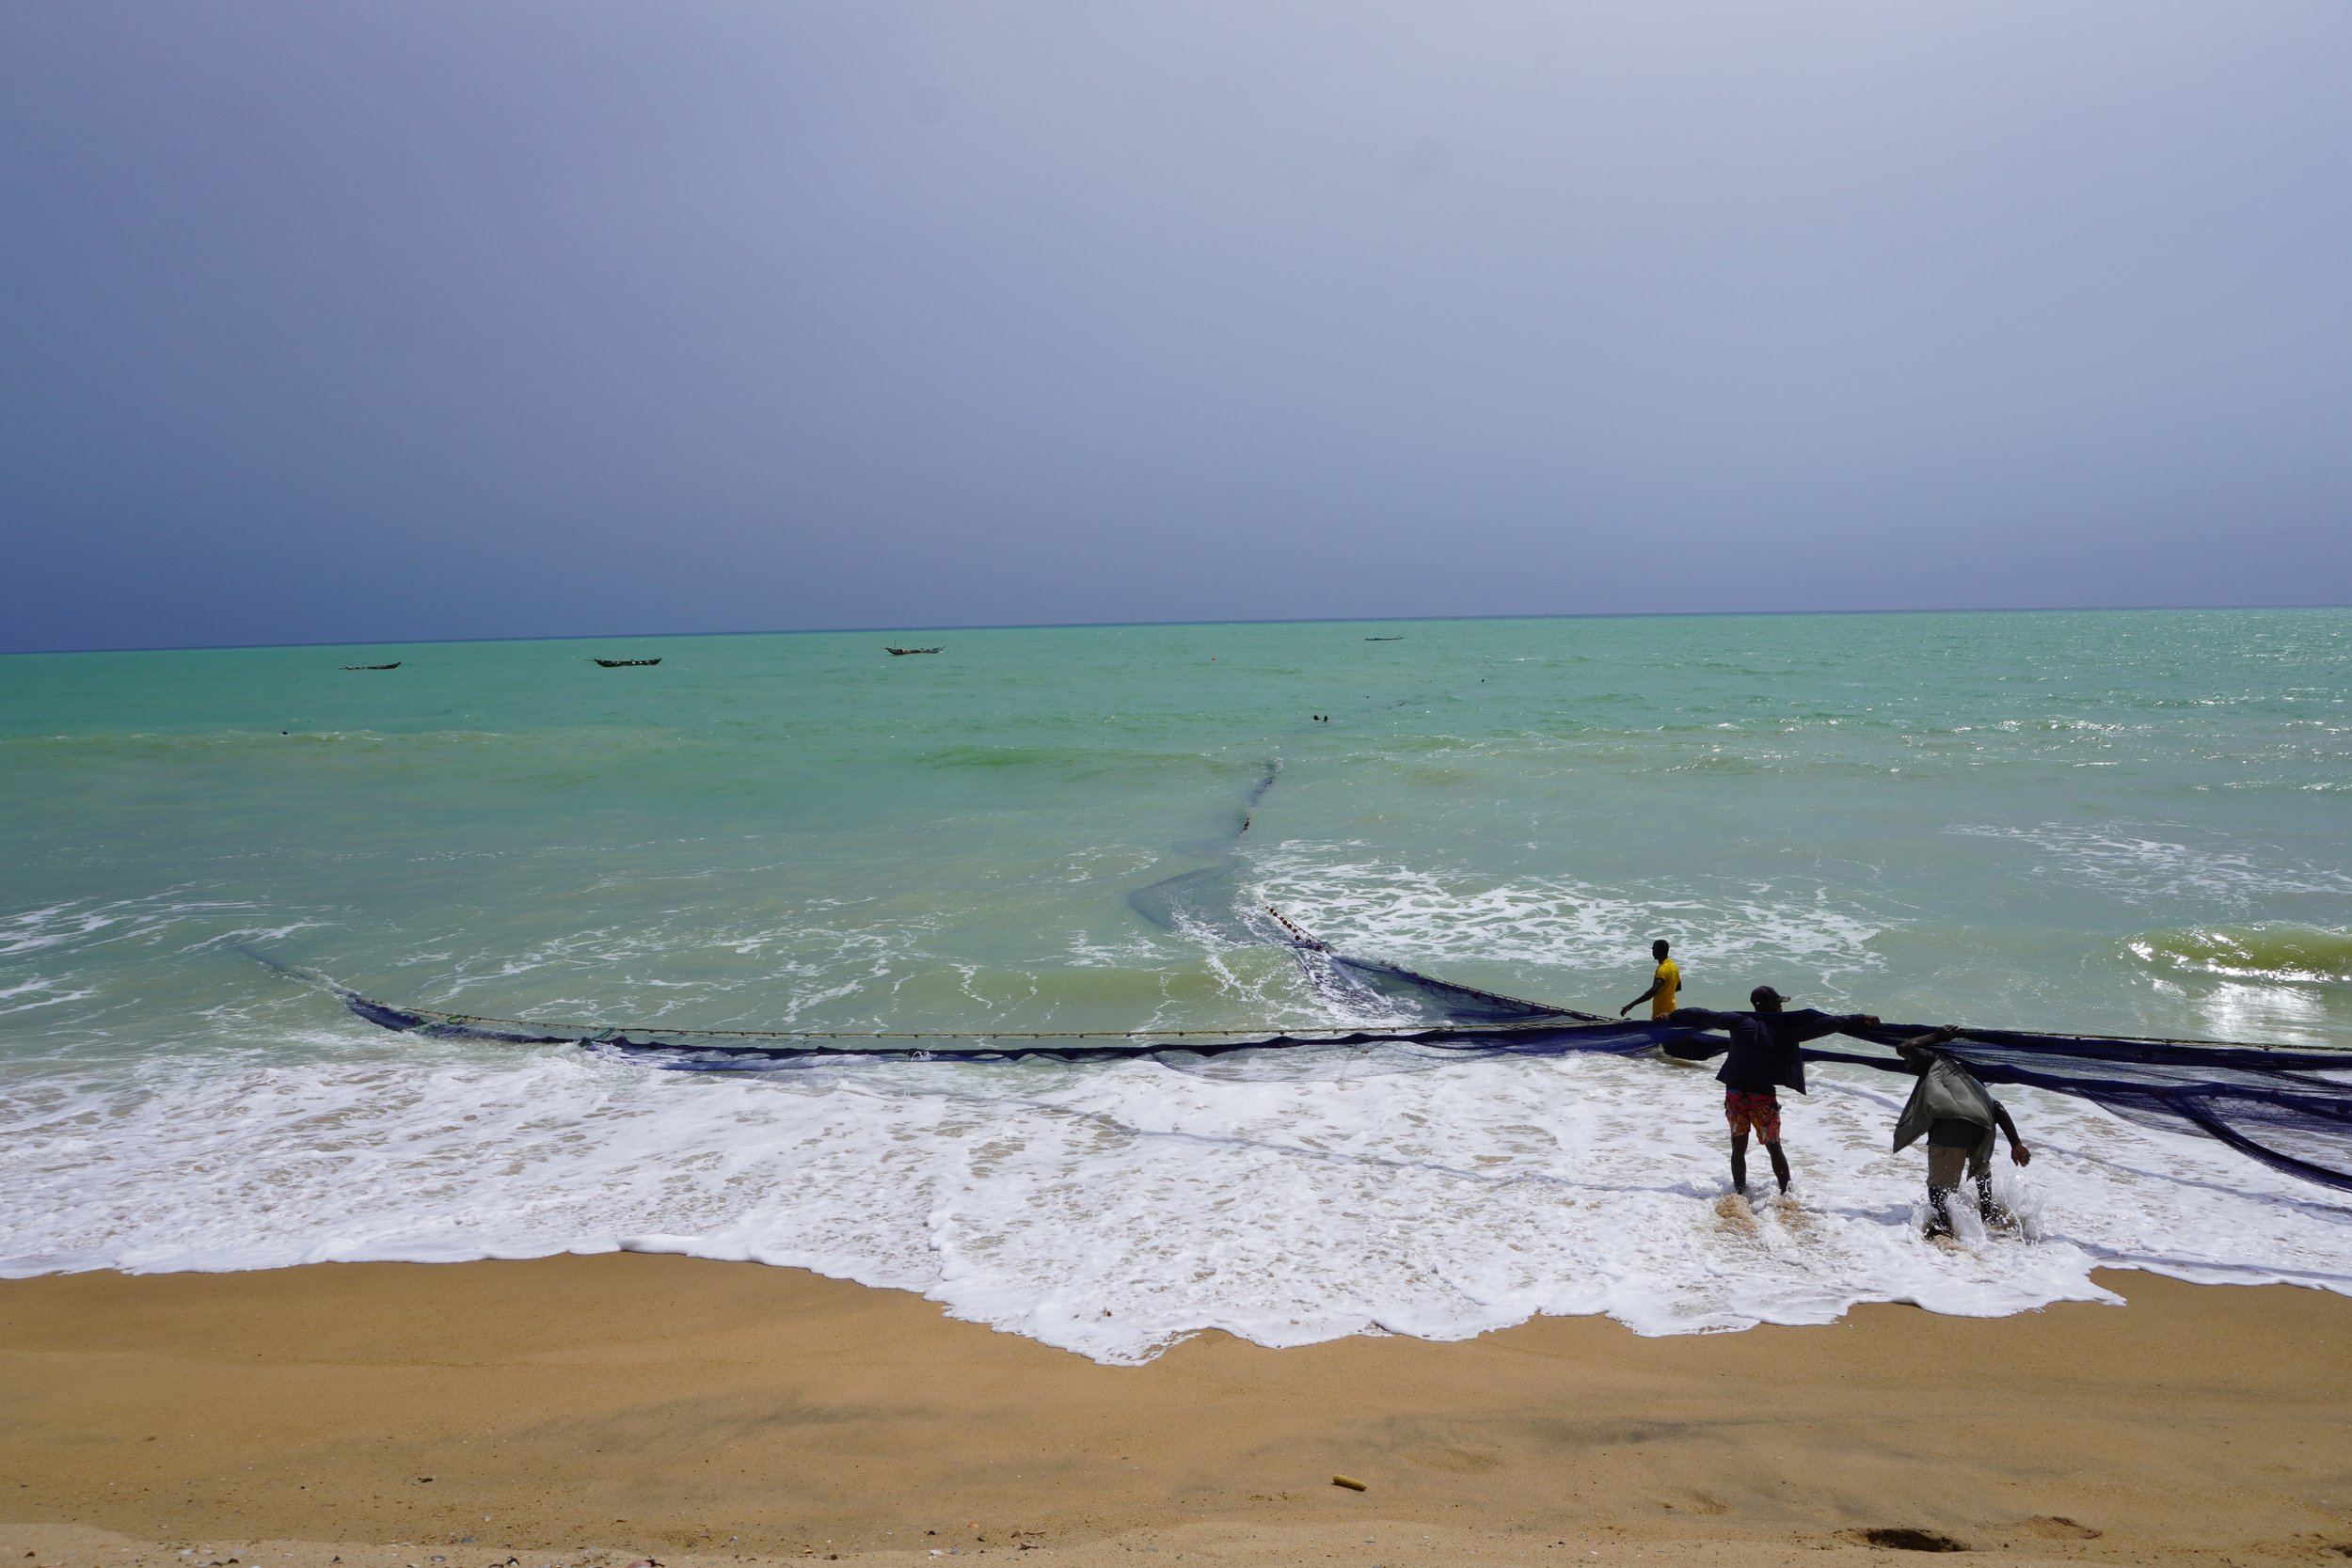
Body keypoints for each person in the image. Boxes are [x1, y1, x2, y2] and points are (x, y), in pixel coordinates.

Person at [1669, 987, 1882, 1197]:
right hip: (1762, 1097)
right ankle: (1786, 1194)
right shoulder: (1786, 1031)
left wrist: (1673, 1015)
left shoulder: (1737, 1021)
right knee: (1773, 1146)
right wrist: (1859, 1018)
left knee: (1738, 1146)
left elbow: (1702, 1014)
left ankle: (1740, 1194)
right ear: (1766, 1005)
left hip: (1735, 1095)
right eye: (1777, 1002)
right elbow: (1825, 1025)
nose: (1781, 1006)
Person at [1892, 1025, 2031, 1238]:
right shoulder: (1972, 1077)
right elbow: (1998, 1108)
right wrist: (2016, 1144)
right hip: (1982, 1129)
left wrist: (1937, 1036)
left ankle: (1944, 1229)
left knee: (1938, 1188)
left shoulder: (1935, 1061)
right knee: (1982, 1170)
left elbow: (1905, 1046)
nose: (1908, 1065)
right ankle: (1987, 1214)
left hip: (1952, 1126)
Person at [1618, 939, 1681, 1020]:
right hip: (1671, 1011)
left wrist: (1631, 1004)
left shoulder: (1662, 969)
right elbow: (1678, 987)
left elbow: (1653, 990)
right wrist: (1666, 991)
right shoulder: (1673, 966)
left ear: (1659, 951)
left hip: (1660, 1013)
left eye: (1654, 949)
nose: (1652, 951)